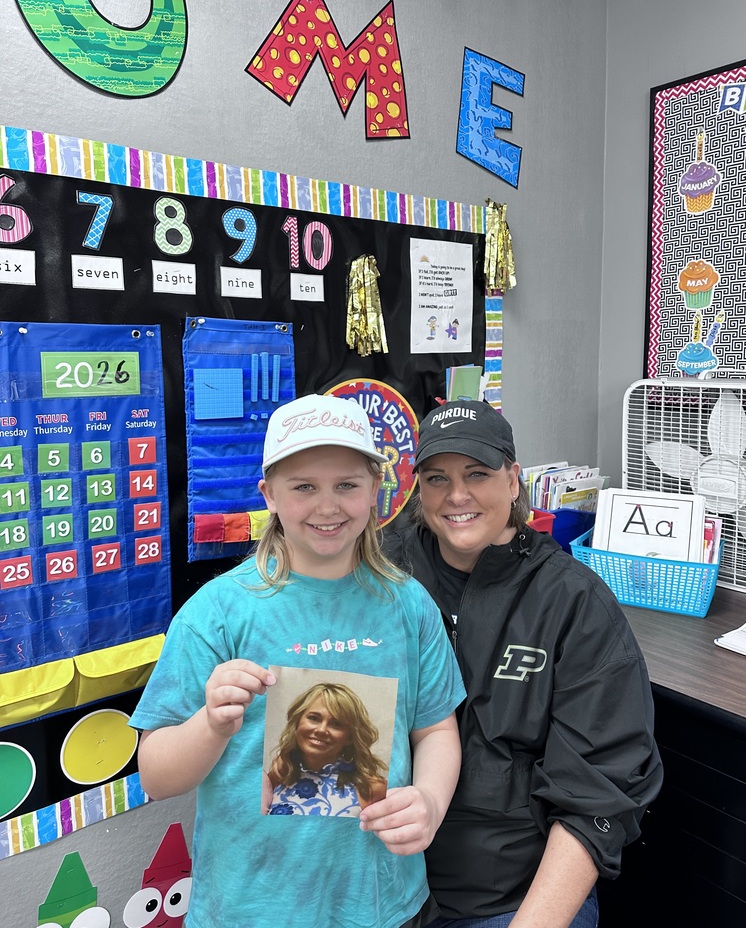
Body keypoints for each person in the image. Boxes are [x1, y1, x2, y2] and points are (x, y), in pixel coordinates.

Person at [130, 393, 465, 928]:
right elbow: (157, 775)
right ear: (269, 495)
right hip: (248, 909)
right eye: (304, 486)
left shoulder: (408, 605)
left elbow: (436, 730)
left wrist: (429, 800)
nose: (327, 506)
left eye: (347, 485)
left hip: (385, 905)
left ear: (377, 489)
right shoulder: (217, 613)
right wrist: (212, 724)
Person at [383, 400, 664, 928]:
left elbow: (600, 789)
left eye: (478, 474)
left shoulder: (575, 603)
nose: (457, 495)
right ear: (417, 487)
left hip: (513, 896)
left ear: (514, 481)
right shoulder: (379, 573)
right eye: (437, 477)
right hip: (382, 886)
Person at [262, 681, 388, 817]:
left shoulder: (372, 789)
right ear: (297, 722)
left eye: (336, 724)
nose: (321, 730)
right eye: (314, 718)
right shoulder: (280, 774)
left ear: (350, 738)